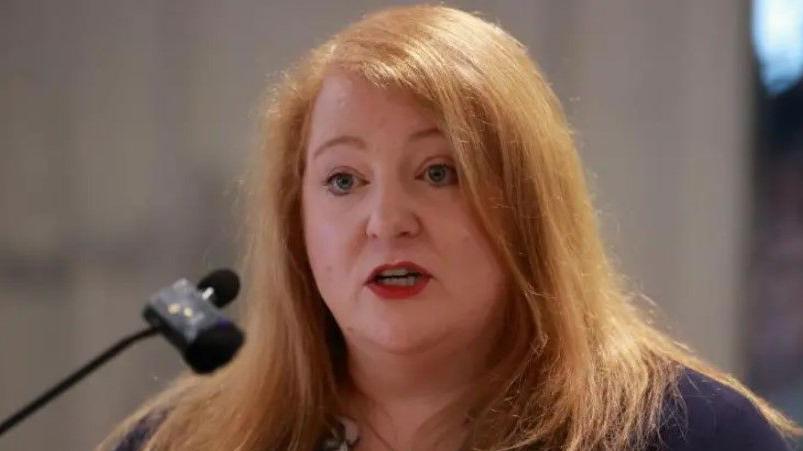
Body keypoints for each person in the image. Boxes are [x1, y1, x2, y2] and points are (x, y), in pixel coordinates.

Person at [99, 5, 801, 451]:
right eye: (343, 180)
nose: (385, 221)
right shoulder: (179, 441)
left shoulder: (690, 434)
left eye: (439, 172)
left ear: (528, 204)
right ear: (296, 222)